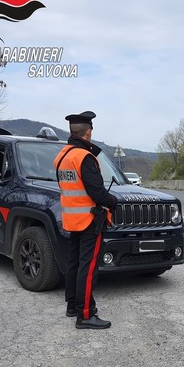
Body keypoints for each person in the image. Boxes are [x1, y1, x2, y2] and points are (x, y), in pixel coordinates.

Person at [54, 111, 117, 330]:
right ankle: (86, 314)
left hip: (71, 220)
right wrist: (114, 201)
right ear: (88, 133)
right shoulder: (85, 158)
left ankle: (72, 305)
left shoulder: (61, 156)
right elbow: (98, 193)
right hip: (90, 220)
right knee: (88, 268)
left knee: (74, 263)